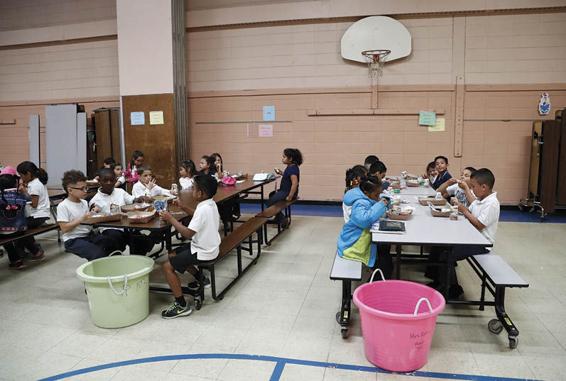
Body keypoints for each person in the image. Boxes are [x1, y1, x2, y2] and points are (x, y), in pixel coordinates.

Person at [430, 168, 500, 298]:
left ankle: (453, 289)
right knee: (439, 247)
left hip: (481, 244)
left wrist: (464, 210)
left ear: (484, 187)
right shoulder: (480, 200)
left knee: (447, 254)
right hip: (471, 237)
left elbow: (479, 224)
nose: (472, 190)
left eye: (473, 187)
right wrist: (461, 209)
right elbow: (471, 211)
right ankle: (439, 282)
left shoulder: (492, 204)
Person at [159, 175, 220, 319]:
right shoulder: (209, 204)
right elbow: (198, 216)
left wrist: (171, 218)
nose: (192, 190)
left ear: (201, 193)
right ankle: (201, 278)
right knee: (173, 254)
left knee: (167, 267)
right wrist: (183, 207)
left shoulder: (203, 209)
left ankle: (181, 305)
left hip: (203, 251)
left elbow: (187, 234)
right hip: (210, 247)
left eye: (193, 188)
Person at [57, 170, 121, 261]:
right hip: (73, 239)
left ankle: (108, 264)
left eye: (86, 188)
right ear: (70, 190)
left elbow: (88, 219)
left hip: (88, 235)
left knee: (111, 242)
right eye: (82, 189)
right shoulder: (63, 206)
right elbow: (64, 228)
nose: (85, 191)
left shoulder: (83, 202)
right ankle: (100, 269)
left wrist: (94, 212)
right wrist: (82, 218)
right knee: (97, 253)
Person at [337, 176, 391, 274]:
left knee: (385, 254)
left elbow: (373, 211)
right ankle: (374, 284)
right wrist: (381, 204)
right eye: (376, 195)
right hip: (352, 246)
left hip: (359, 241)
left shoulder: (367, 198)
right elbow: (365, 220)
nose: (378, 197)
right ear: (366, 193)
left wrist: (385, 203)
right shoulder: (360, 203)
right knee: (385, 265)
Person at [88, 169, 150, 253]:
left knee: (141, 239)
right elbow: (94, 219)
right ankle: (117, 258)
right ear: (99, 181)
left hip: (126, 225)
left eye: (112, 180)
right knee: (114, 238)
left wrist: (140, 198)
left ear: (115, 180)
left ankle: (138, 259)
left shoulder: (120, 192)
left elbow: (132, 200)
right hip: (110, 228)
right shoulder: (95, 200)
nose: (109, 183)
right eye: (105, 180)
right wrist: (93, 212)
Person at [16, 161, 50, 259]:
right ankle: (22, 251)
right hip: (39, 214)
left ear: (28, 174)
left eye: (22, 175)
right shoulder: (36, 182)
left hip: (38, 215)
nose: (21, 178)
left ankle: (36, 251)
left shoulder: (35, 185)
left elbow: (34, 204)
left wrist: (24, 192)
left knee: (19, 228)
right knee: (20, 227)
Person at [0, 169, 33, 269]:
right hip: (21, 229)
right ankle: (33, 252)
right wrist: (24, 191)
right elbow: (29, 200)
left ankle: (16, 260)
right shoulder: (21, 196)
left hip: (4, 232)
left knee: (6, 239)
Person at [269, 148, 303, 228]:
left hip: (287, 192)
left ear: (290, 159)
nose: (282, 158)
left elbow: (295, 183)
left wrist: (290, 196)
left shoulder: (293, 169)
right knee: (272, 195)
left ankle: (282, 219)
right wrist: (281, 173)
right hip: (284, 191)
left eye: (284, 157)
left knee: (270, 203)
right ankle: (278, 217)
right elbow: (288, 176)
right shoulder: (290, 167)